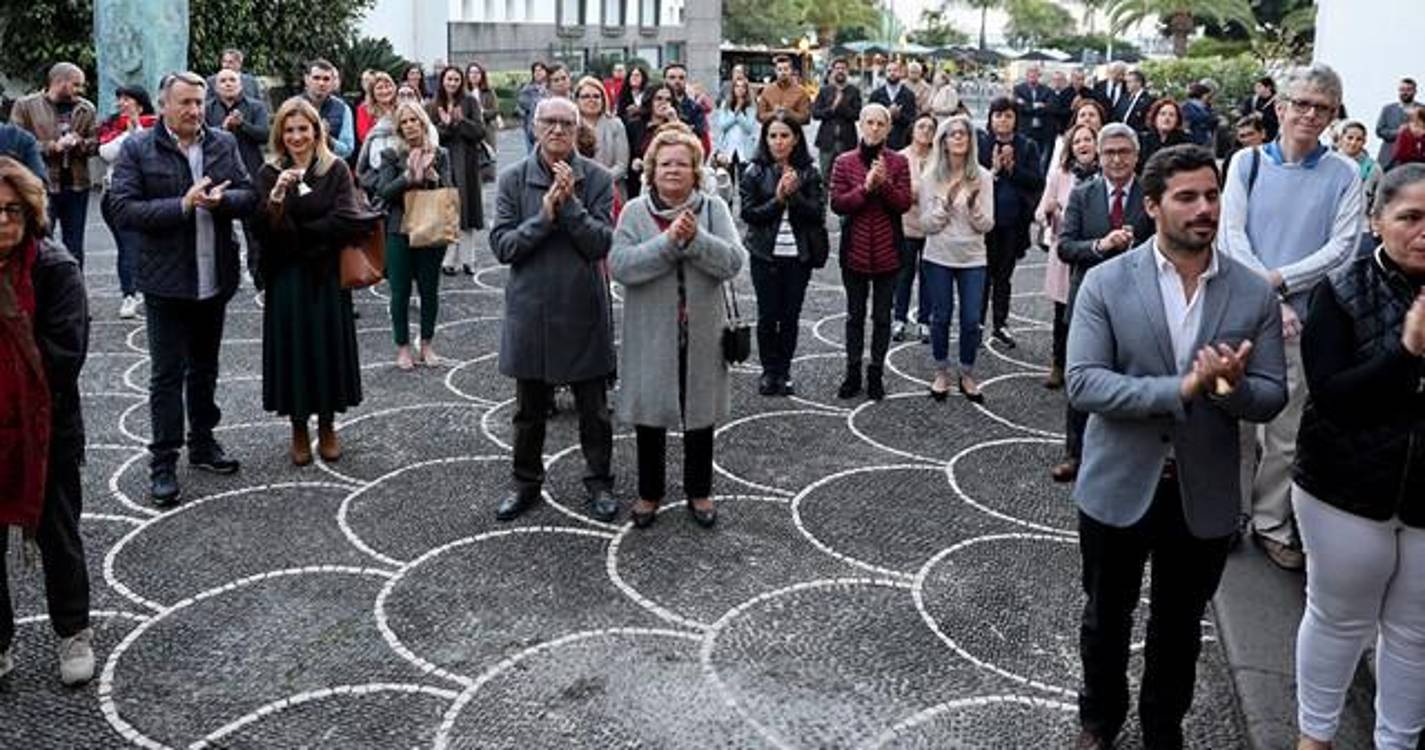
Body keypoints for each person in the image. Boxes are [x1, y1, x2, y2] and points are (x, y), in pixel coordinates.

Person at [1067, 144, 1289, 750]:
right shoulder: (1108, 282)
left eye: (1212, 195)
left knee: (1179, 627)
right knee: (1105, 618)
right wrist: (1182, 386)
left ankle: (1163, 726)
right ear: (1153, 206)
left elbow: (1270, 395)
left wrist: (1222, 387)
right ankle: (1100, 721)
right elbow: (1085, 382)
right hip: (1119, 484)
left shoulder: (1252, 292)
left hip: (1205, 491)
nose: (1204, 209)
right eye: (1187, 197)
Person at [1291, 163, 1425, 750]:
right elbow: (1333, 397)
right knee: (1338, 619)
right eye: (1411, 217)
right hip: (1344, 490)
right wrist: (1407, 353)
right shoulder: (1341, 289)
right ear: (1377, 221)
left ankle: (1396, 742)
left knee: (1416, 634)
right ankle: (1314, 737)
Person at [1219, 63, 1365, 571]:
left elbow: (1343, 249)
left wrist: (1280, 285)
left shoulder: (1345, 173)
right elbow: (1232, 237)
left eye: (1321, 108)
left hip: (1303, 322)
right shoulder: (1246, 163)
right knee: (1227, 420)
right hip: (1240, 313)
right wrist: (1269, 298)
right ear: (1279, 106)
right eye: (1300, 103)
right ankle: (1223, 516)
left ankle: (1270, 523)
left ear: (1331, 116)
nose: (1309, 114)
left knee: (1284, 433)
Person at [108, 72, 257, 507]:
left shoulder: (222, 144)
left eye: (198, 102)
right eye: (185, 103)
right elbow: (121, 209)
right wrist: (183, 205)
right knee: (166, 375)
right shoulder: (138, 147)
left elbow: (249, 195)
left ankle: (204, 443)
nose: (194, 111)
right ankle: (163, 461)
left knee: (205, 368)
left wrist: (223, 202)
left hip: (215, 278)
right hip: (166, 282)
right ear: (164, 105)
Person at [489, 97, 617, 523]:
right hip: (532, 308)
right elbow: (504, 247)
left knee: (594, 411)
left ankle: (599, 482)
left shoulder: (597, 178)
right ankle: (525, 483)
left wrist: (572, 206)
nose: (558, 130)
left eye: (566, 123)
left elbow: (600, 243)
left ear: (577, 129)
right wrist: (544, 215)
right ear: (535, 125)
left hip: (582, 306)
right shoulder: (512, 179)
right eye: (550, 122)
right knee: (528, 410)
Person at [611, 126, 746, 528]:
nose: (674, 170)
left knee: (699, 412)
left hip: (702, 329)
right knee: (649, 412)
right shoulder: (635, 211)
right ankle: (649, 492)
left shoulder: (713, 208)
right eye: (665, 163)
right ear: (651, 170)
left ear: (695, 170)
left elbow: (733, 262)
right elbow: (620, 266)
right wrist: (669, 243)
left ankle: (699, 490)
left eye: (682, 164)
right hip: (651, 330)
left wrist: (696, 240)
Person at [0, 156, 93, 687]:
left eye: (13, 210)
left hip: (47, 425)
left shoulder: (54, 267)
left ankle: (73, 631)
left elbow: (65, 354)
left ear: (30, 212)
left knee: (59, 531)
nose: (3, 221)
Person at [252, 99, 373, 465]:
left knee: (325, 348)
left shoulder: (334, 169)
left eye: (303, 128)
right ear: (279, 134)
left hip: (325, 274)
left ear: (317, 130)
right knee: (294, 351)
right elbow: (262, 231)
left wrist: (297, 230)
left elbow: (346, 220)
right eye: (289, 130)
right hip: (286, 277)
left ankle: (327, 426)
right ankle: (299, 428)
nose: (296, 136)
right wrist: (276, 201)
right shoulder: (269, 173)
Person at [1054, 123, 1156, 484]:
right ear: (1098, 154)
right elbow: (1065, 247)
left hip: (1141, 301)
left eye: (1123, 152)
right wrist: (1100, 246)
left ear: (1136, 155)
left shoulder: (1152, 193)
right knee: (1082, 376)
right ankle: (1074, 452)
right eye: (1109, 152)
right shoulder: (1083, 193)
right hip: (1090, 301)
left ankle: (1130, 455)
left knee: (1136, 377)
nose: (1116, 159)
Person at [740, 112, 828, 397]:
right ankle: (769, 371)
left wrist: (795, 196)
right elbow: (749, 214)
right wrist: (778, 200)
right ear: (765, 139)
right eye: (773, 136)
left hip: (797, 255)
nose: (778, 142)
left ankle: (785, 369)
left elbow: (817, 215)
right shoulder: (754, 171)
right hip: (764, 254)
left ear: (796, 139)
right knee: (767, 315)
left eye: (784, 136)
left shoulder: (810, 171)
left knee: (790, 316)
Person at [830, 104, 913, 401]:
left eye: (881, 123)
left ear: (889, 129)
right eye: (870, 122)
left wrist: (884, 185)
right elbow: (838, 204)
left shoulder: (899, 163)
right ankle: (852, 372)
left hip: (889, 252)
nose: (875, 128)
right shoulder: (844, 161)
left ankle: (876, 373)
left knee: (881, 317)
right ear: (860, 126)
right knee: (855, 316)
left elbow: (904, 203)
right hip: (854, 251)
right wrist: (866, 188)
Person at [918, 115, 995, 402]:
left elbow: (988, 225)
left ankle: (967, 372)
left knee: (971, 318)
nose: (959, 138)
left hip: (973, 256)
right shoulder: (930, 176)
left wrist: (974, 207)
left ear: (971, 140)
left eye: (964, 133)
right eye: (953, 134)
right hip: (938, 254)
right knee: (941, 316)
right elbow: (926, 225)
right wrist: (947, 205)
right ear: (943, 141)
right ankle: (941, 372)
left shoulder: (983, 176)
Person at [376, 102, 454, 370]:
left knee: (429, 290)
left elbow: (450, 191)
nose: (410, 126)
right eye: (404, 122)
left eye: (414, 121)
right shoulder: (390, 154)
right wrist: (408, 177)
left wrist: (432, 177)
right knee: (399, 292)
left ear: (423, 123)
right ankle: (403, 347)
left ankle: (427, 344)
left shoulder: (440, 154)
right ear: (399, 129)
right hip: (400, 230)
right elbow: (383, 192)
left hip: (432, 227)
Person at [10, 62, 97, 267]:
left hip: (77, 185)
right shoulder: (26, 106)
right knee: (38, 242)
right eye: (76, 85)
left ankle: (74, 291)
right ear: (60, 82)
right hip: (40, 186)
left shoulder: (86, 108)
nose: (80, 90)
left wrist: (80, 143)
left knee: (75, 245)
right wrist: (51, 147)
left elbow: (95, 143)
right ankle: (39, 292)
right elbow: (17, 143)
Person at [1035, 122, 1100, 391]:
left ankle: (1089, 365)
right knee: (1062, 314)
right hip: (1065, 254)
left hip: (1095, 253)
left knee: (1095, 314)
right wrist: (1050, 210)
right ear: (1070, 149)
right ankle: (1058, 364)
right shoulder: (1061, 175)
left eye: (1088, 140)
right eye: (1077, 141)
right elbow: (1039, 213)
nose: (1083, 145)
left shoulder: (1105, 174)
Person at [978, 97, 1044, 349]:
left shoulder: (1027, 145)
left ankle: (1000, 323)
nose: (1002, 120)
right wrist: (993, 170)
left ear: (1016, 118)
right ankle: (978, 323)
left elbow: (1036, 182)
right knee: (981, 275)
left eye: (1007, 115)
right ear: (990, 118)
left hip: (1013, 222)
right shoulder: (982, 144)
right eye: (997, 115)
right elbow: (973, 178)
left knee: (1003, 276)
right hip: (983, 221)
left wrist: (1013, 168)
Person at [97, 86, 157, 320]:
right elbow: (106, 152)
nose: (121, 103)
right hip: (117, 194)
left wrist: (137, 129)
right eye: (119, 99)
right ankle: (129, 293)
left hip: (149, 194)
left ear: (140, 104)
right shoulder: (111, 124)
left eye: (126, 99)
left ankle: (146, 288)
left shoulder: (154, 123)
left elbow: (152, 149)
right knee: (128, 245)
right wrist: (128, 134)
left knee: (149, 245)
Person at [428, 65, 487, 277]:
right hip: (444, 164)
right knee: (448, 211)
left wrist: (460, 121)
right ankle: (449, 260)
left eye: (456, 79)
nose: (452, 83)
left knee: (467, 211)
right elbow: (431, 136)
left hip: (467, 164)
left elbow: (480, 131)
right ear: (442, 80)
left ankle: (468, 259)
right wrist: (446, 125)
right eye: (448, 79)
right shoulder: (434, 104)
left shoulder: (470, 101)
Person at [893, 114, 936, 344]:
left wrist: (916, 191)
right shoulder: (900, 157)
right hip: (905, 225)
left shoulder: (940, 159)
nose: (926, 131)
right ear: (912, 129)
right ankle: (899, 318)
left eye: (931, 128)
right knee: (904, 274)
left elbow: (942, 190)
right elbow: (897, 191)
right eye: (921, 126)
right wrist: (919, 191)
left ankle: (924, 321)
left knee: (928, 276)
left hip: (932, 226)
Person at [205, 67, 270, 208]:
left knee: (254, 214)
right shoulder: (207, 109)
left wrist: (243, 125)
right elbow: (201, 138)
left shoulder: (256, 107)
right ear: (216, 88)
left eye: (232, 80)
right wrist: (222, 129)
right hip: (218, 171)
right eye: (223, 81)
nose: (228, 84)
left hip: (251, 168)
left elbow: (265, 136)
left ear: (240, 85)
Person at [812, 58, 862, 179]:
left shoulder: (854, 91)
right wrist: (832, 108)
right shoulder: (824, 91)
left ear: (847, 71)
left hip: (847, 141)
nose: (840, 71)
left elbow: (857, 115)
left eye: (843, 68)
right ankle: (825, 198)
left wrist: (842, 105)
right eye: (837, 68)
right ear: (832, 71)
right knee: (825, 175)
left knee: (847, 176)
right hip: (827, 141)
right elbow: (815, 113)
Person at [713, 76, 758, 193]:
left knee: (745, 185)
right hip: (728, 149)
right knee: (728, 185)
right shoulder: (725, 105)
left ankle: (744, 209)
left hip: (744, 150)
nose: (740, 89)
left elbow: (749, 128)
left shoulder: (750, 107)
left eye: (743, 87)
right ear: (733, 89)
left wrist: (739, 115)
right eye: (737, 86)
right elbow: (723, 126)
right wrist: (735, 114)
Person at [302, 59, 354, 159]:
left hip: (330, 168)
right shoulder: (292, 106)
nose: (321, 83)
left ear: (332, 82)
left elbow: (348, 150)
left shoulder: (343, 109)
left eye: (326, 79)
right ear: (307, 79)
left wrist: (328, 139)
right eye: (316, 78)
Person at [1333, 119, 1381, 216]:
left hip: (1361, 223)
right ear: (1341, 138)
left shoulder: (1372, 168)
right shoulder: (1328, 163)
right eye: (1349, 138)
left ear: (1364, 142)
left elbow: (1379, 199)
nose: (1353, 143)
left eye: (1359, 139)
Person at [1013, 65, 1056, 174]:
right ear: (1026, 75)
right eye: (1030, 73)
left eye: (1035, 73)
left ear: (1039, 75)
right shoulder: (1018, 89)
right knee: (1023, 156)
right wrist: (1036, 106)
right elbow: (1019, 108)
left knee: (1042, 159)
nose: (1032, 75)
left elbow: (1049, 108)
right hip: (1025, 129)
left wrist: (1028, 106)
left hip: (1042, 131)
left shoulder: (1047, 90)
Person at [869, 61, 917, 151]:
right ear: (885, 73)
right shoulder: (876, 94)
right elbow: (870, 117)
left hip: (901, 140)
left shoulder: (909, 94)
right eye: (889, 70)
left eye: (895, 70)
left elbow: (912, 118)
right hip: (880, 139)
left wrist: (899, 115)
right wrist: (887, 113)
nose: (892, 73)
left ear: (901, 73)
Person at [466, 62, 501, 183]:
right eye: (471, 72)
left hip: (486, 131)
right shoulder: (464, 92)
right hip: (469, 131)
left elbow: (495, 110)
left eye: (477, 72)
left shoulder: (488, 91)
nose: (474, 75)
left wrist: (482, 113)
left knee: (486, 162)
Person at [756, 55, 812, 126]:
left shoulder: (801, 92)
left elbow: (806, 118)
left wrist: (789, 113)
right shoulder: (767, 91)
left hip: (793, 132)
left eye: (786, 69)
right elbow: (760, 116)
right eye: (780, 69)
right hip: (771, 132)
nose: (783, 72)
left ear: (791, 70)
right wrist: (774, 114)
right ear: (775, 71)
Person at [1375, 77, 1416, 170]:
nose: (1405, 92)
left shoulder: (1422, 109)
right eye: (1402, 90)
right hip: (1389, 159)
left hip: (1414, 159)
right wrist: (1398, 132)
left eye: (1408, 89)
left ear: (1414, 91)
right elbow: (1379, 131)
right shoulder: (1388, 109)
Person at [1139, 98, 1191, 169]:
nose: (1167, 118)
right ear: (1155, 118)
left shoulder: (1185, 142)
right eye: (1162, 114)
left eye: (1171, 115)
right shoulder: (1143, 140)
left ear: (1177, 120)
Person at [661, 63, 707, 141]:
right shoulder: (657, 104)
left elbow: (698, 133)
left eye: (681, 78)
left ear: (686, 81)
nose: (677, 81)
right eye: (672, 77)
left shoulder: (695, 108)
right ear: (664, 80)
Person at [356, 71, 398, 146]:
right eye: (379, 88)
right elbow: (363, 136)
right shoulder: (364, 109)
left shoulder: (401, 107)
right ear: (372, 92)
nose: (384, 91)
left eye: (388, 86)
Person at [517, 62, 549, 152]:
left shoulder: (551, 87)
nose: (538, 73)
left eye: (541, 70)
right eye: (535, 71)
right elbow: (520, 106)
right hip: (532, 128)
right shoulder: (527, 89)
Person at [1237, 76, 1280, 142]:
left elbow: (1279, 122)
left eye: (1259, 86)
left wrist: (1263, 117)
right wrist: (1250, 116)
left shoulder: (1278, 101)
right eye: (1256, 87)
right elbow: (1243, 115)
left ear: (1268, 87)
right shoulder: (1252, 101)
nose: (1256, 89)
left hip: (1273, 136)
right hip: (1256, 137)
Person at [1182, 83, 1217, 147]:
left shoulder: (1206, 108)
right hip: (1195, 141)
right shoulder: (1188, 106)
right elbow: (1188, 124)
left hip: (1205, 140)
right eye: (1207, 95)